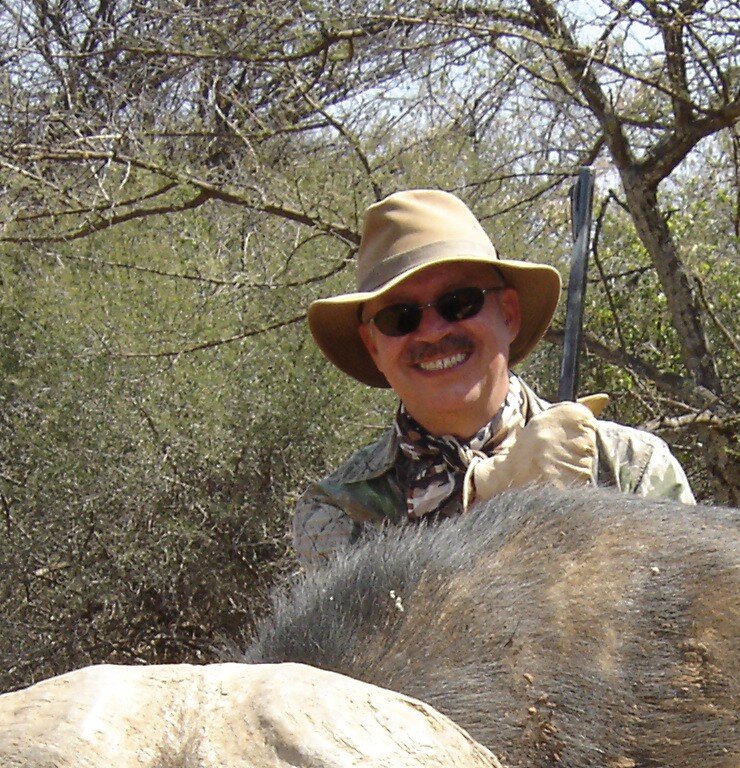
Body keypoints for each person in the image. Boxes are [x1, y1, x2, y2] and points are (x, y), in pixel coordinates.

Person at [292, 189, 693, 565]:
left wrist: (589, 537)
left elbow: (690, 624)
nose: (432, 332)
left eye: (459, 302)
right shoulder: (336, 510)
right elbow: (388, 637)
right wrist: (498, 505)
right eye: (400, 317)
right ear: (373, 346)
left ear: (509, 314)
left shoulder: (632, 469)